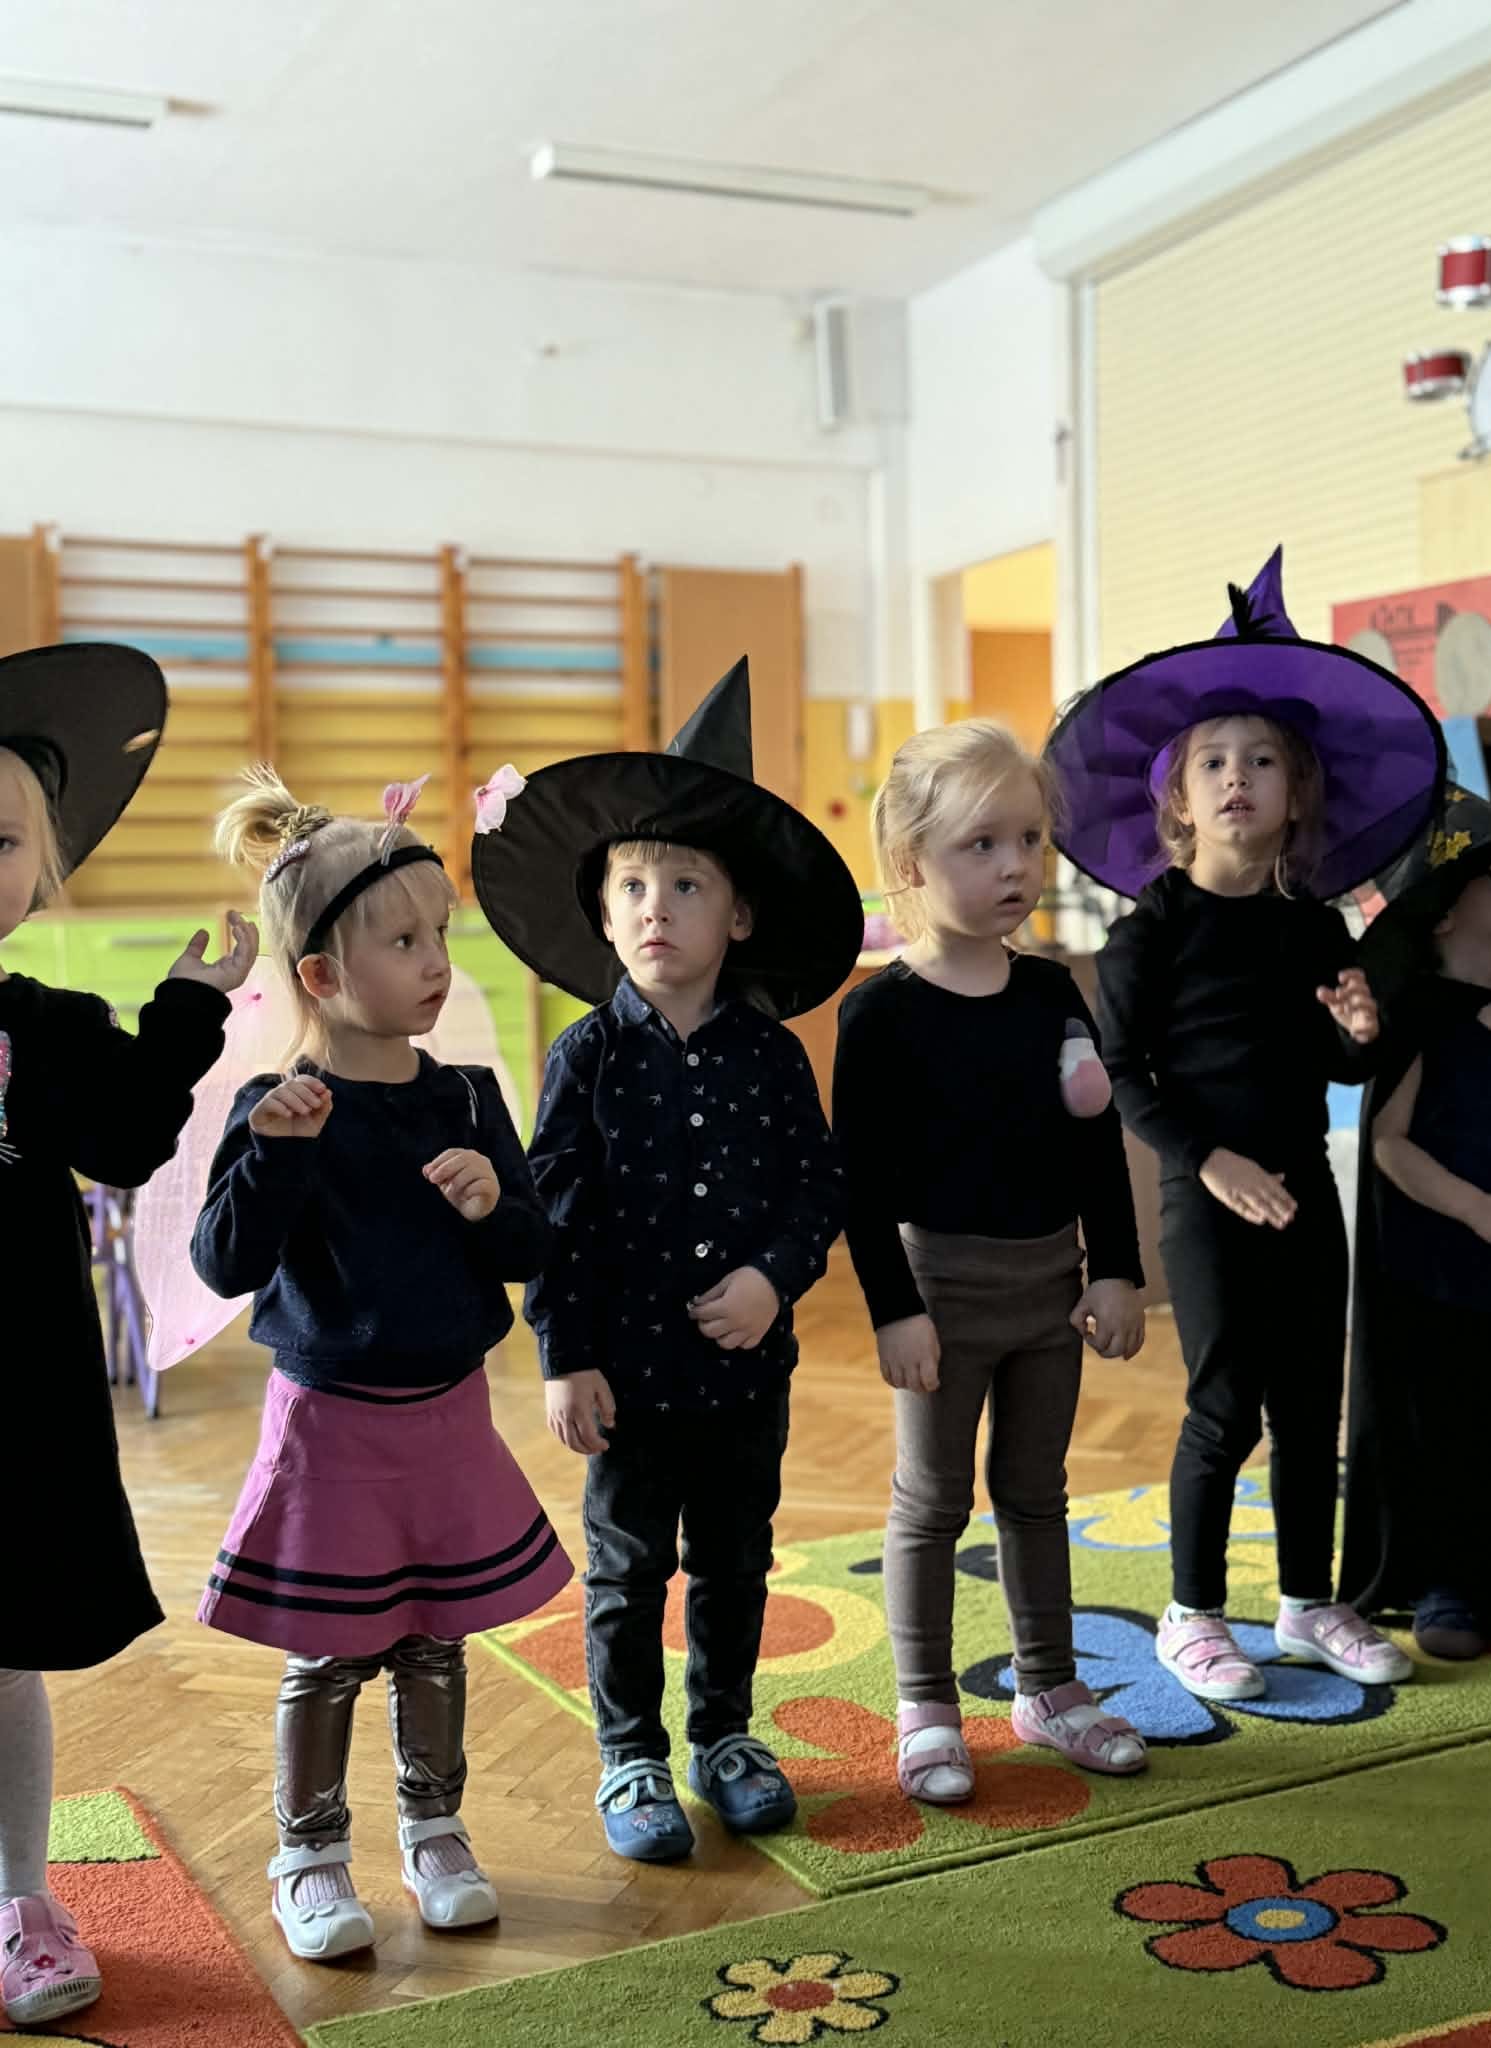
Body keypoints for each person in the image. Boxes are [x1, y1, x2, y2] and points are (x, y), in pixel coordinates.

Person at [473, 658, 861, 1862]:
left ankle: (725, 1734)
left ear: (737, 916)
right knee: (628, 1569)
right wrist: (563, 1353)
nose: (656, 906)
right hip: (625, 1376)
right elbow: (554, 1212)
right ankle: (631, 1749)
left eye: (686, 883)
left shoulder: (773, 1055)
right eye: (633, 884)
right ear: (603, 913)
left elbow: (820, 1186)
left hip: (744, 1373)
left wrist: (772, 1278)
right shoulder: (587, 1055)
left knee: (737, 1559)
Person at [1047, 548, 1445, 1705]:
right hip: (1206, 1193)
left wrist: (1360, 1032)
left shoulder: (1315, 925)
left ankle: (1310, 1599)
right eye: (1213, 760)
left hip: (1303, 1186)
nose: (1238, 777)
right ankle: (1194, 1611)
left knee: (1309, 1403)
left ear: (1297, 794)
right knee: (1224, 1405)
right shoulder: (1150, 932)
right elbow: (1127, 1072)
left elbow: (1336, 1062)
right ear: (1178, 796)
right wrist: (1207, 1161)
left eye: (1263, 760)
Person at [191, 767, 570, 1961]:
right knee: (331, 1648)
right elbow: (223, 1263)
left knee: (435, 1635)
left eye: (441, 934)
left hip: (448, 1414)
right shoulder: (279, 1103)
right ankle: (307, 1853)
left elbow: (530, 1252)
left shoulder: (466, 1095)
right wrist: (276, 1154)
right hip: (332, 1426)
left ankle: (436, 1828)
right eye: (404, 941)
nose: (437, 961)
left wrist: (493, 1200)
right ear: (320, 975)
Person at [0, 645, 255, 2028]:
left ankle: (19, 1898)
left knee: (5, 1656)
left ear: (39, 869)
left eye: (0, 842)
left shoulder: (39, 1030)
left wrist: (187, 1006)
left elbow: (125, 1135)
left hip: (16, 1397)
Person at [833, 718, 1149, 1801]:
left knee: (1035, 1492)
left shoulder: (1053, 991)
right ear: (911, 861)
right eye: (982, 844)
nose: (1016, 864)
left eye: (1028, 839)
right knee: (931, 1501)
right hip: (942, 1296)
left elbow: (1095, 1142)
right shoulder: (880, 1012)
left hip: (1048, 1292)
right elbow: (859, 1183)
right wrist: (894, 1308)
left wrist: (1115, 1267)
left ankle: (1048, 1686)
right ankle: (925, 1702)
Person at [1341, 785, 1491, 1660]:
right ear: (1446, 912)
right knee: (1452, 1427)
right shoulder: (1419, 1014)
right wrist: (1479, 1210)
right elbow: (1389, 1142)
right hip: (1441, 1274)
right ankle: (1449, 1579)